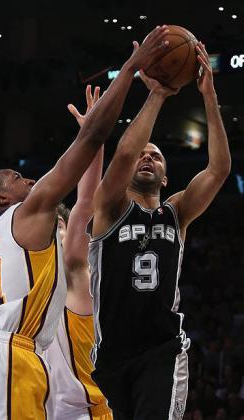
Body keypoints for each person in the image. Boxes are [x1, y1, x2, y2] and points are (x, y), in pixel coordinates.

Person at [0, 25, 170, 420]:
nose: (28, 179)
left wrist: (93, 147)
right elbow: (81, 186)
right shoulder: (26, 217)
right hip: (13, 357)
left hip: (8, 366)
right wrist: (128, 72)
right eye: (16, 177)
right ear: (1, 198)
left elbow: (82, 207)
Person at [87, 42, 231, 419]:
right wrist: (158, 94)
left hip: (161, 350)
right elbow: (121, 155)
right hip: (109, 355)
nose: (147, 157)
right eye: (142, 154)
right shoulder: (111, 206)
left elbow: (218, 170)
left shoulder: (177, 212)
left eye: (157, 156)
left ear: (166, 177)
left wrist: (209, 98)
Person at [44, 86, 112, 419]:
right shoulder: (28, 289)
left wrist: (92, 136)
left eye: (55, 228)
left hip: (86, 411)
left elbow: (84, 203)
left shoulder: (73, 276)